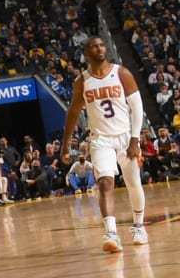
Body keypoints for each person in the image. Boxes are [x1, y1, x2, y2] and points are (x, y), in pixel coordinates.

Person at [60, 37, 149, 252]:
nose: (100, 49)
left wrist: (135, 139)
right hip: (100, 140)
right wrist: (65, 145)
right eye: (94, 47)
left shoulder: (121, 73)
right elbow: (73, 113)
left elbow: (137, 108)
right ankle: (111, 233)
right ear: (86, 53)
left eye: (102, 45)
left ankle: (139, 226)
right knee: (105, 183)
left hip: (125, 136)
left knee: (133, 184)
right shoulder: (82, 81)